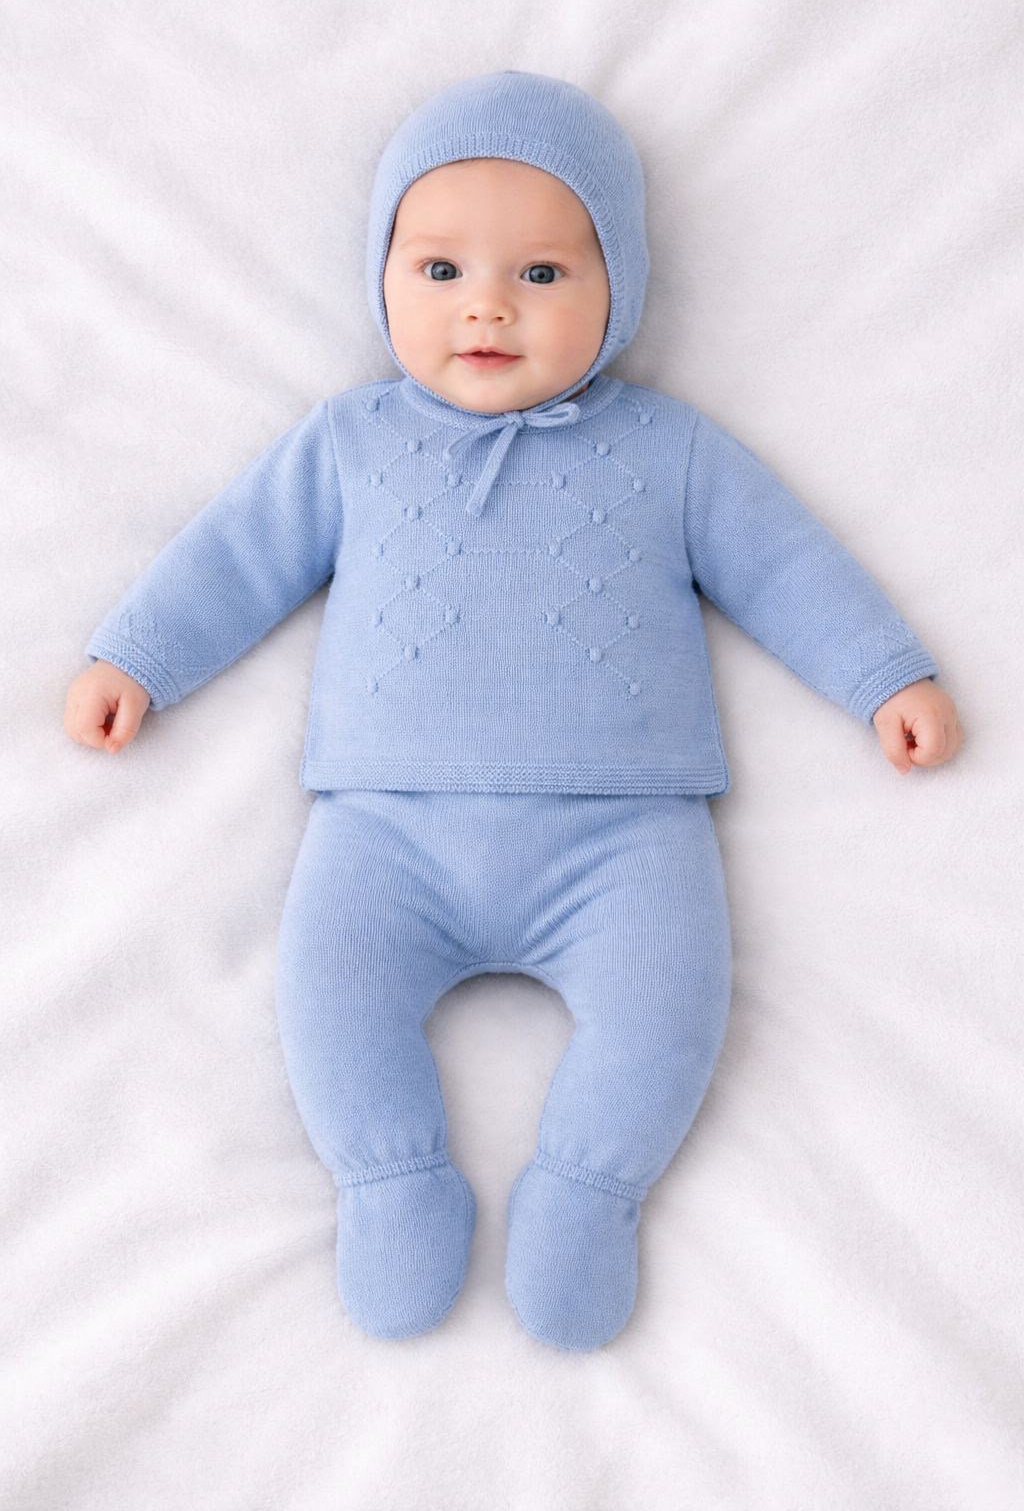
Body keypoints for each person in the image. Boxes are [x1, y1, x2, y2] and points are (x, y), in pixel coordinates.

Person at [63, 72, 962, 1352]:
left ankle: (588, 1191)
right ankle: (390, 1181)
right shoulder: (349, 442)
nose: (486, 305)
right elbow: (235, 555)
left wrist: (883, 676)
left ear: (620, 286)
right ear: (380, 279)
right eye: (440, 271)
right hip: (385, 828)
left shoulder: (671, 449)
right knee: (326, 991)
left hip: (625, 834)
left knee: (669, 1007)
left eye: (541, 274)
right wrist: (139, 656)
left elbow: (786, 566)